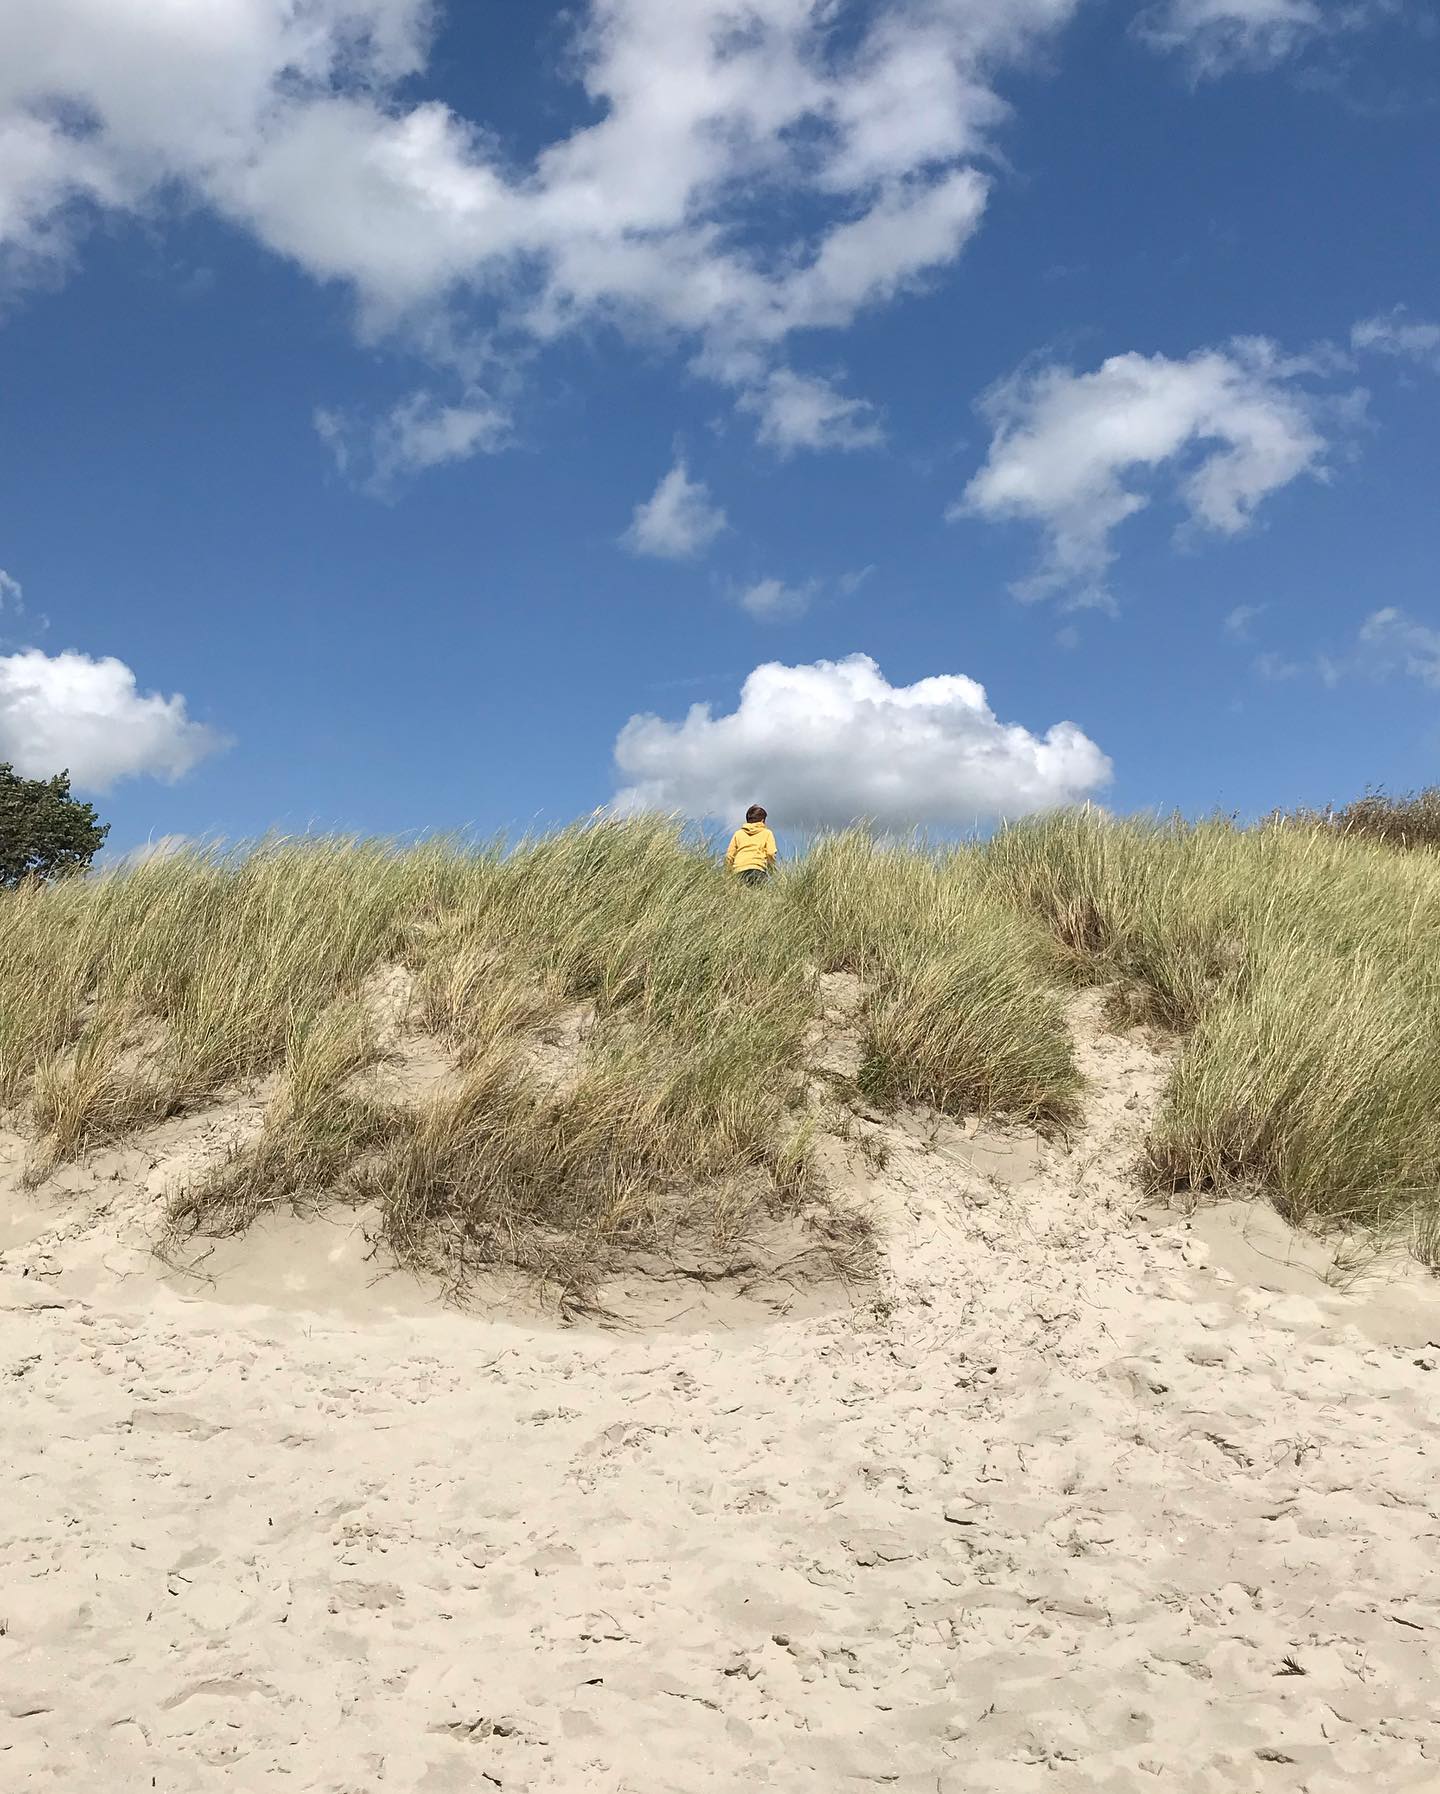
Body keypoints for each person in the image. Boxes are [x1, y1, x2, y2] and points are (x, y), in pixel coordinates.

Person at [725, 804, 777, 885]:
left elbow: (729, 855)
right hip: (758, 869)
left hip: (739, 871)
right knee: (759, 892)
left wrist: (728, 873)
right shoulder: (767, 833)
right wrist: (772, 869)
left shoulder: (738, 834)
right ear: (762, 820)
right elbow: (771, 853)